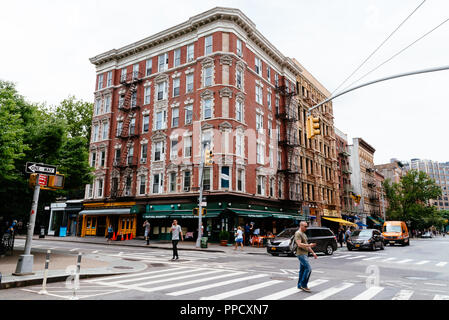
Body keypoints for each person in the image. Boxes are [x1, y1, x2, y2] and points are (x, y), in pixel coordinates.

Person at [295, 221, 317, 292]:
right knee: (308, 269)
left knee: (302, 270)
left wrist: (313, 253)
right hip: (301, 254)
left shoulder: (304, 234)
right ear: (301, 226)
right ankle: (303, 285)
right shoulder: (298, 233)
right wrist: (309, 245)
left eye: (307, 226)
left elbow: (307, 245)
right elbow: (299, 244)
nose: (306, 228)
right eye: (305, 226)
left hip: (305, 254)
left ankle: (299, 285)